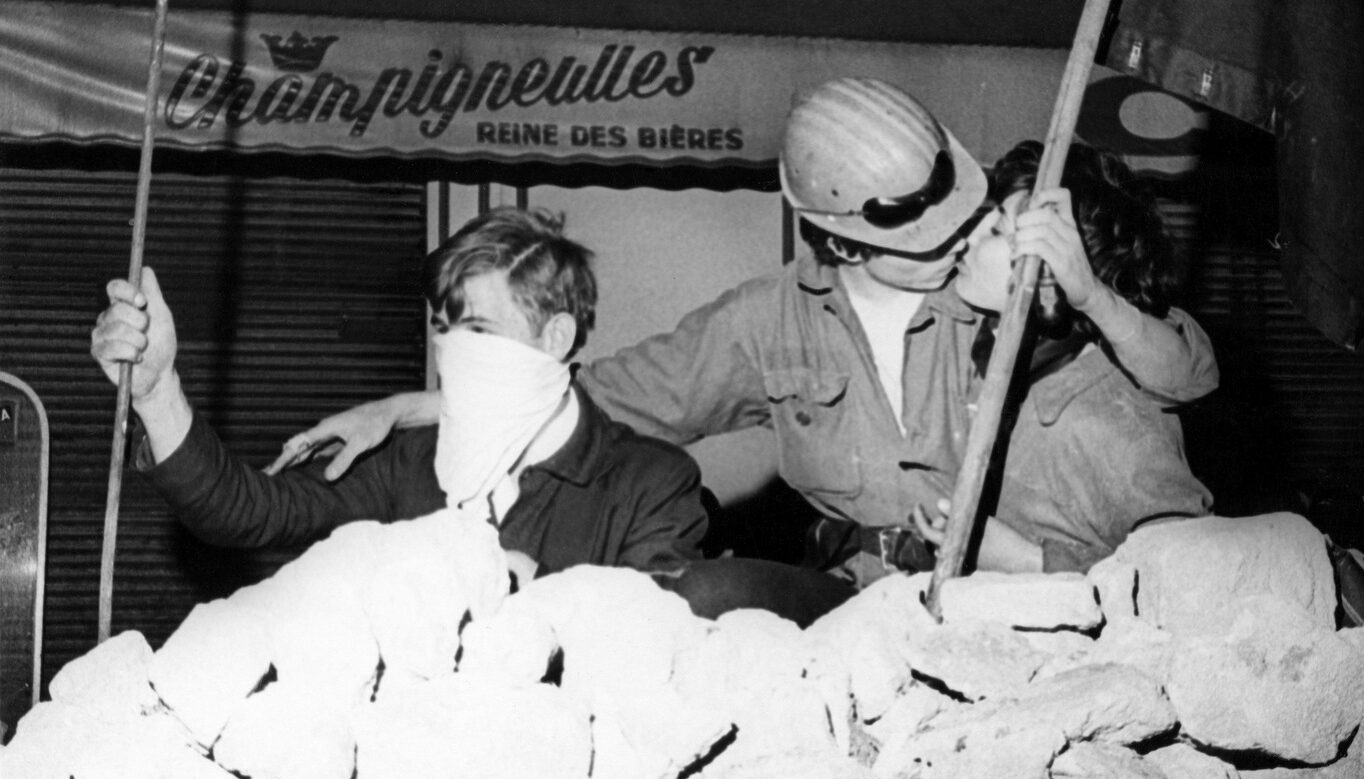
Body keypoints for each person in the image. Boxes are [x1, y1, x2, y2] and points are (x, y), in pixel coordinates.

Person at [268, 78, 1219, 587]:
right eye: (915, 236)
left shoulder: (1003, 281)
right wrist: (408, 404)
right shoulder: (767, 324)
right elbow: (595, 395)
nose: (954, 242)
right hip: (861, 597)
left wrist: (1089, 293)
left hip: (1006, 596)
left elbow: (1175, 374)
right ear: (837, 237)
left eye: (957, 220)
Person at [90, 206, 708, 579]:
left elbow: (645, 657)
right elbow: (247, 512)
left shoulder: (648, 484)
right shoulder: (412, 462)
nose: (454, 354)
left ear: (555, 336)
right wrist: (157, 391)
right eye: (445, 332)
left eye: (480, 332)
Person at [911, 141, 1213, 572]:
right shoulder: (980, 340)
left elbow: (1184, 585)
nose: (967, 238)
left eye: (996, 231)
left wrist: (1026, 561)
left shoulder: (1107, 421)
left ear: (1054, 276)